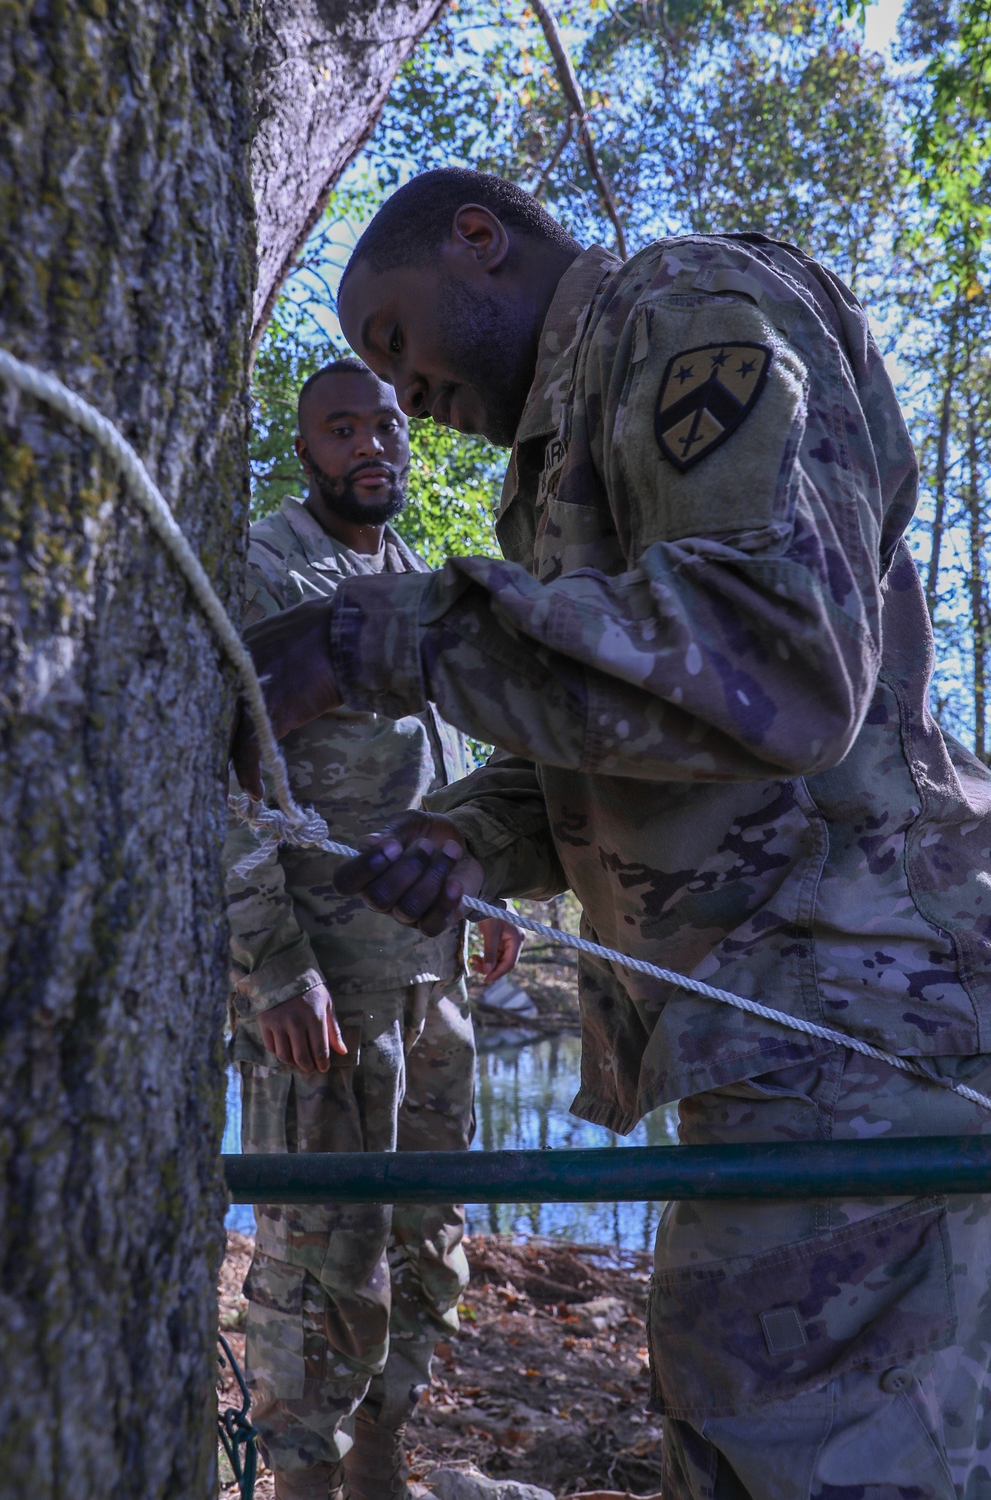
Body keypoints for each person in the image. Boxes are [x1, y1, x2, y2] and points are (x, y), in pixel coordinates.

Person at [232, 170, 991, 1498]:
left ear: (481, 240)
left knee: (811, 1446)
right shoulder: (556, 455)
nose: (402, 398)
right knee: (736, 1407)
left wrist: (376, 637)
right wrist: (472, 833)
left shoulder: (685, 305)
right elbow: (623, 721)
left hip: (875, 1020)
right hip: (785, 1036)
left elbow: (780, 660)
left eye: (396, 343)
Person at [224, 356, 522, 1500]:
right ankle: (302, 1483)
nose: (370, 447)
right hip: (324, 991)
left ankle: (382, 1468)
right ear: (306, 449)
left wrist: (492, 894)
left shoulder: (422, 580)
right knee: (319, 1252)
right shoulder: (263, 566)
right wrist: (273, 961)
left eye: (386, 426)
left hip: (432, 980)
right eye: (341, 429)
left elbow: (446, 765)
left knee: (423, 1240)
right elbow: (218, 778)